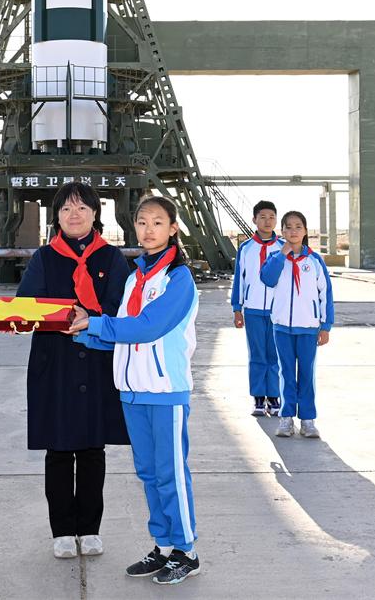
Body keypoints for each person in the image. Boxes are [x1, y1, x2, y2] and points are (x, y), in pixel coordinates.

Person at [69, 195, 201, 585]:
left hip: (165, 390)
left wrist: (95, 324)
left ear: (173, 229)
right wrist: (83, 333)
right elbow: (123, 333)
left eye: (157, 222)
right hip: (132, 390)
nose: (148, 229)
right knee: (148, 473)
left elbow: (148, 327)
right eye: (142, 222)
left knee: (171, 473)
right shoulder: (135, 278)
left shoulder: (178, 278)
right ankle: (164, 545)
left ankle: (187, 551)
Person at [15, 181, 131, 559]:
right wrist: (66, 314)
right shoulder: (44, 258)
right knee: (59, 450)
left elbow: (121, 307)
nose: (74, 215)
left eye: (82, 208)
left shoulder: (112, 259)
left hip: (97, 361)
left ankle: (90, 529)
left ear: (95, 214)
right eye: (66, 209)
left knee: (94, 449)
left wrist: (90, 317)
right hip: (56, 363)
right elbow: (26, 305)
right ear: (57, 217)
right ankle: (63, 531)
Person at [259, 210, 334, 439]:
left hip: (309, 328)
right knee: (286, 373)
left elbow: (325, 294)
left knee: (307, 374)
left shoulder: (314, 261)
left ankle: (308, 420)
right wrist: (282, 255)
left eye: (298, 226)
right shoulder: (276, 258)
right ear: (282, 231)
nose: (293, 231)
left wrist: (325, 325)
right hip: (282, 327)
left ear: (305, 231)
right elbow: (267, 279)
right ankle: (286, 418)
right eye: (288, 227)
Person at [230, 200, 284, 416]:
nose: (267, 221)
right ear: (254, 220)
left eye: (271, 217)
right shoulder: (246, 248)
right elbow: (239, 280)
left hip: (278, 311)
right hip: (252, 310)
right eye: (262, 217)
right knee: (257, 355)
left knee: (275, 355)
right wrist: (237, 308)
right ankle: (259, 398)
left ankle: (274, 396)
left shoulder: (283, 248)